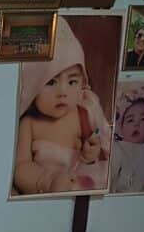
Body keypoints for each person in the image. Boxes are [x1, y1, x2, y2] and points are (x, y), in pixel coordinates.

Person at [13, 16, 112, 195]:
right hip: (45, 193)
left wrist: (90, 155)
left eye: (72, 82)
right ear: (33, 85)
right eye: (51, 82)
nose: (62, 92)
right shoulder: (29, 123)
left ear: (83, 83)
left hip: (79, 190)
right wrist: (48, 181)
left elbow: (97, 154)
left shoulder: (83, 113)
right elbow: (20, 167)